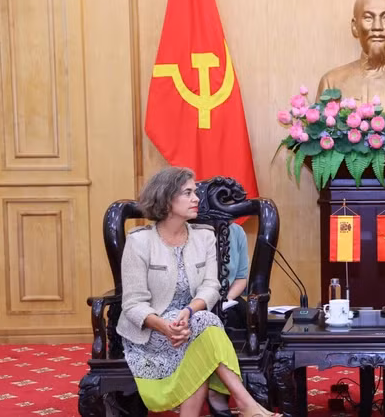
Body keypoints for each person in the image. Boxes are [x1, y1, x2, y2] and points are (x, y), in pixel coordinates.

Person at [116, 167, 276, 417]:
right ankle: (247, 405)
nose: (196, 199)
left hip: (191, 320)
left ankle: (245, 406)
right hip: (151, 331)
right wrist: (165, 326)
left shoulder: (204, 237)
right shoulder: (140, 242)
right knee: (204, 328)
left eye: (195, 193)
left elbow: (211, 286)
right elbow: (133, 303)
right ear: (166, 198)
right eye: (188, 193)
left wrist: (189, 310)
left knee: (201, 324)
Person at [207, 221, 250, 417]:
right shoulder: (191, 228)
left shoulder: (237, 231)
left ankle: (220, 391)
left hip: (228, 298)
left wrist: (226, 299)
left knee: (236, 315)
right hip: (196, 301)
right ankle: (216, 392)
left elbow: (241, 277)